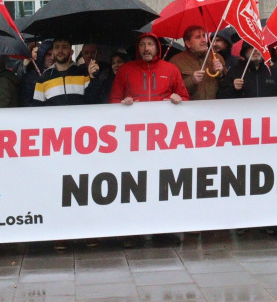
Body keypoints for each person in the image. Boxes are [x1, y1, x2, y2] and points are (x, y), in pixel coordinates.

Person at [110, 33, 187, 246]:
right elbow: (113, 100)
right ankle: (132, 232)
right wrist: (121, 104)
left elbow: (185, 98)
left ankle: (164, 230)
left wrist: (178, 99)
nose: (146, 48)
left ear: (157, 47)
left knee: (163, 184)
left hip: (164, 142)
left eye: (150, 44)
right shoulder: (126, 71)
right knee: (133, 186)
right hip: (133, 142)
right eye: (142, 45)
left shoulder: (170, 70)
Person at [33, 37, 101, 106]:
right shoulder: (43, 79)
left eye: (64, 47)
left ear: (71, 52)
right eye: (57, 47)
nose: (60, 50)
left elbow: (92, 102)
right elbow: (38, 109)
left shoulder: (83, 74)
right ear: (53, 51)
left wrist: (93, 78)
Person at [171, 25, 225, 100]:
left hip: (214, 107)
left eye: (204, 36)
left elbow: (226, 86)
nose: (203, 40)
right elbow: (172, 89)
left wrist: (221, 74)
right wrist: (192, 80)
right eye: (198, 37)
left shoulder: (216, 57)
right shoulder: (176, 61)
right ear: (188, 43)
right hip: (190, 108)